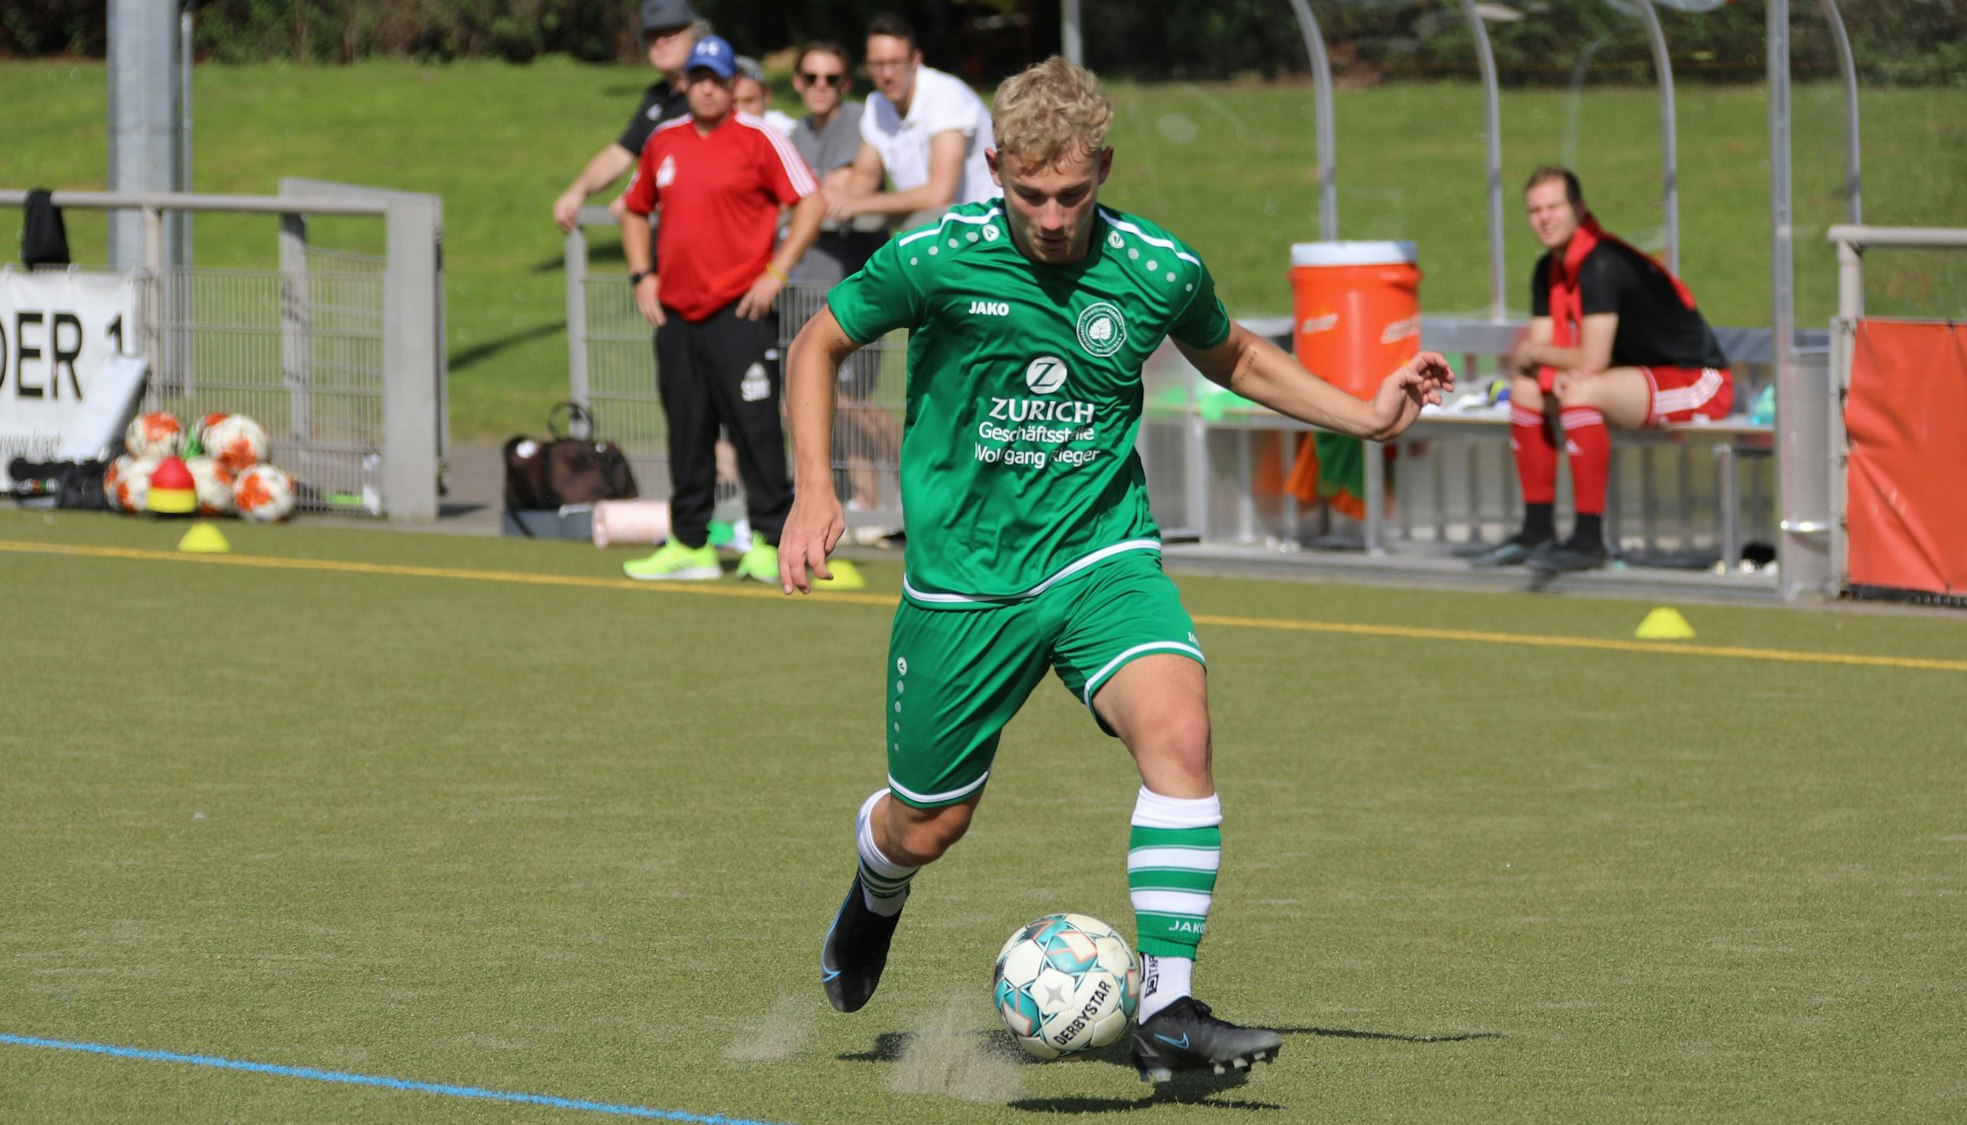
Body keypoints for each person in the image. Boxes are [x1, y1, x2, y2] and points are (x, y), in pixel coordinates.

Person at [778, 58, 1454, 1082]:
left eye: (1072, 193)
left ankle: (1167, 1008)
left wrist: (1367, 412)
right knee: (929, 824)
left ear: (1103, 167)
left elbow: (1233, 355)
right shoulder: (935, 256)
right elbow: (815, 347)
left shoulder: (1156, 268)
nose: (1052, 217)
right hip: (965, 583)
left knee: (1180, 732)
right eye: (1030, 194)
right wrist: (813, 490)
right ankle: (877, 884)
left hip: (1101, 553)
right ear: (995, 169)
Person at [619, 35, 827, 582]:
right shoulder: (663, 140)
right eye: (698, 78)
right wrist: (642, 275)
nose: (707, 89)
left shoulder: (760, 138)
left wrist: (776, 273)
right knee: (687, 430)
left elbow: (811, 200)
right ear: (685, 83)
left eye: (717, 79)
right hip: (676, 314)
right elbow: (634, 208)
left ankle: (770, 541)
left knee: (755, 430)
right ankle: (690, 543)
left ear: (734, 84)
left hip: (741, 313)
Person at [1474, 166, 1732, 574]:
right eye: (1535, 210)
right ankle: (1536, 531)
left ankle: (1588, 540)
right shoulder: (1547, 269)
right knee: (1526, 391)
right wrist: (1547, 366)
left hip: (1697, 380)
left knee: (1580, 391)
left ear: (1578, 208)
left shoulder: (1602, 262)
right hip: (1632, 377)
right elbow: (1543, 359)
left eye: (1554, 207)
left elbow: (1586, 359)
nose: (1544, 218)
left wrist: (1541, 356)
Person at [786, 40, 898, 537]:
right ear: (797, 82)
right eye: (811, 77)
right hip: (804, 289)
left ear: (845, 84)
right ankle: (867, 503)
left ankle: (912, 485)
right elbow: (804, 192)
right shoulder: (795, 134)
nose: (821, 87)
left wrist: (822, 190)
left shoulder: (859, 122)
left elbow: (850, 184)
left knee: (854, 400)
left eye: (831, 79)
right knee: (831, 401)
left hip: (852, 289)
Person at [820, 13, 997, 227]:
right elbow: (864, 180)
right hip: (939, 232)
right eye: (877, 64)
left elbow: (939, 194)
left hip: (987, 228)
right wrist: (833, 195)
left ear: (916, 60)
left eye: (896, 63)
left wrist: (858, 203)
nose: (887, 74)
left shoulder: (946, 95)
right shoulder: (876, 105)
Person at [550, 0, 708, 234]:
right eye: (652, 36)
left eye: (670, 34)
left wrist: (641, 196)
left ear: (695, 36)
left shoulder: (715, 96)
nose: (660, 43)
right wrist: (578, 189)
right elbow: (620, 153)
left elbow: (710, 161)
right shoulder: (657, 96)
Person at [733, 57, 797, 134]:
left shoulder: (787, 132)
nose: (741, 111)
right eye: (732, 102)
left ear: (767, 96)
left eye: (749, 101)